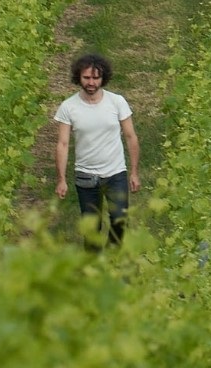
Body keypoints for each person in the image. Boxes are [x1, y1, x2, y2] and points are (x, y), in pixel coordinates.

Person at [54, 53, 140, 248]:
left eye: (95, 78)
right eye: (86, 78)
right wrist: (61, 179)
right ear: (79, 77)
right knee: (92, 228)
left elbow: (130, 136)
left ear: (103, 78)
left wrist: (134, 172)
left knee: (120, 220)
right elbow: (63, 144)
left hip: (115, 172)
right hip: (86, 175)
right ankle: (91, 269)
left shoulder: (116, 102)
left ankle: (112, 255)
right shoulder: (68, 107)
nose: (91, 82)